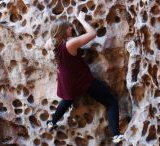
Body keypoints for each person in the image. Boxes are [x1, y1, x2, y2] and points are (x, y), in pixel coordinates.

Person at [45, 11, 124, 144]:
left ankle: (52, 122)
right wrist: (81, 19)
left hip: (66, 81)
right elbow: (92, 34)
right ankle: (116, 135)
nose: (71, 27)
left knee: (67, 100)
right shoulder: (70, 44)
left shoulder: (52, 44)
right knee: (111, 102)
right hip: (81, 80)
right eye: (69, 26)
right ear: (64, 31)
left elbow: (50, 41)